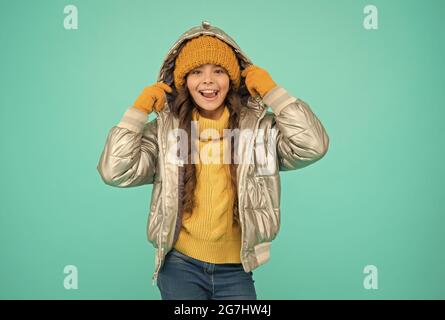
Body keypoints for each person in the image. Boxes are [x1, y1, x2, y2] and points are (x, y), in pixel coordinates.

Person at [97, 20, 329, 300]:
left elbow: (313, 145)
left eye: (218, 71)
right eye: (196, 72)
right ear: (183, 81)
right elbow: (115, 170)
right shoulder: (165, 132)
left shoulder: (260, 132)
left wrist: (273, 93)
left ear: (232, 79)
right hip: (181, 265)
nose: (208, 80)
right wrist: (137, 110)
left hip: (236, 269)